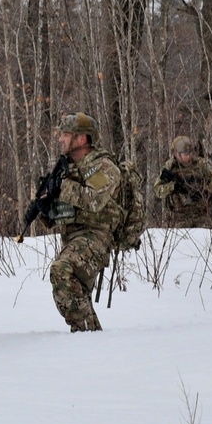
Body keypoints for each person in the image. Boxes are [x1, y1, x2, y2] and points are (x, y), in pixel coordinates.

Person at [39, 113, 124, 332]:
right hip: (73, 237)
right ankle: (91, 338)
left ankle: (87, 336)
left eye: (66, 135)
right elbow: (59, 214)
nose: (61, 139)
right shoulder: (66, 168)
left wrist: (63, 187)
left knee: (62, 270)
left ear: (82, 139)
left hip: (97, 236)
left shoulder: (103, 167)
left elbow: (94, 200)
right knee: (77, 293)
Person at [153, 135, 212, 228]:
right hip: (177, 218)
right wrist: (173, 187)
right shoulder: (170, 168)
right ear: (176, 154)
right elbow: (158, 190)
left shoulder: (201, 164)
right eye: (185, 154)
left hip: (202, 216)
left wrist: (205, 191)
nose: (189, 156)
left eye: (190, 153)